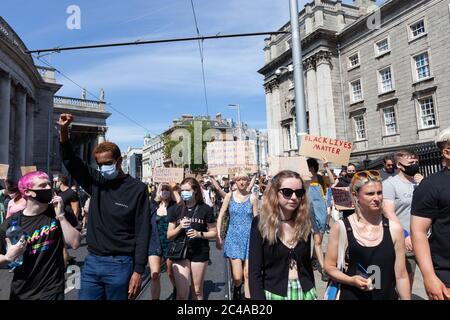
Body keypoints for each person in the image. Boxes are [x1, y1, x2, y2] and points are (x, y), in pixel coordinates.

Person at [59, 113, 150, 300]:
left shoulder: (138, 189)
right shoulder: (96, 181)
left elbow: (143, 231)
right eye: (99, 165)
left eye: (108, 163)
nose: (103, 168)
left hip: (121, 264)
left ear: (119, 161)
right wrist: (64, 130)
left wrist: (138, 270)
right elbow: (70, 160)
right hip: (92, 262)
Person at [324, 170, 410, 300]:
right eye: (370, 194)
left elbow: (401, 275)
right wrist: (351, 280)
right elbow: (329, 267)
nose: (377, 198)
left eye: (379, 193)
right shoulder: (341, 228)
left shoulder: (394, 228)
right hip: (351, 296)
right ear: (356, 195)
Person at [0, 171, 81, 300]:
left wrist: (60, 216)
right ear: (27, 192)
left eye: (49, 184)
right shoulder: (11, 223)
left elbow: (75, 243)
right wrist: (8, 257)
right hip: (21, 292)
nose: (49, 188)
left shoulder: (58, 212)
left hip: (52, 290)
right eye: (43, 186)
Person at [249, 170, 316, 300]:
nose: (294, 197)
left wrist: (312, 289)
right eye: (287, 192)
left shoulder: (304, 222)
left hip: (306, 293)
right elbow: (254, 273)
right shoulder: (260, 224)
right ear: (275, 193)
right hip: (274, 294)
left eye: (299, 192)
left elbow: (307, 265)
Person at [411, 127, 450, 300]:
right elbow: (418, 232)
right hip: (446, 275)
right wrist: (429, 276)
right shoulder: (430, 186)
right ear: (447, 152)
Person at [167, 177, 217, 300]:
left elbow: (214, 232)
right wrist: (179, 227)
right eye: (182, 190)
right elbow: (169, 235)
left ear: (195, 190)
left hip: (199, 252)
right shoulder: (176, 209)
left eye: (187, 190)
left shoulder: (205, 209)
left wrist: (199, 234)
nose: (184, 193)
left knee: (197, 291)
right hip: (180, 253)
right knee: (182, 293)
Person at [383, 150, 423, 291]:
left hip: (426, 239)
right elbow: (388, 211)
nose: (415, 165)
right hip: (406, 241)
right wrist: (404, 235)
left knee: (435, 277)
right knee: (407, 280)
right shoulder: (390, 184)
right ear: (399, 165)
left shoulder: (421, 182)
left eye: (416, 162)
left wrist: (424, 184)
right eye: (411, 163)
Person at [216, 171, 258, 300]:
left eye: (244, 179)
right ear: (235, 181)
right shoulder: (229, 196)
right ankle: (237, 287)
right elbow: (221, 215)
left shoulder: (252, 198)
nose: (241, 182)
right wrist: (218, 235)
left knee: (247, 274)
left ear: (247, 181)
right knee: (238, 276)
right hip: (233, 238)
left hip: (249, 238)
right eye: (239, 179)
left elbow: (256, 219)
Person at [148, 183, 178, 300]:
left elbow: (182, 206)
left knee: (171, 273)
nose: (164, 191)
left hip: (170, 244)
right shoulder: (153, 207)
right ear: (158, 191)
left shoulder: (174, 207)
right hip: (154, 244)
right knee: (154, 275)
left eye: (167, 189)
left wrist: (174, 189)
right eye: (162, 189)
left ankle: (176, 288)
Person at [306, 158, 335, 282]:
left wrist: (327, 167)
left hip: (321, 213)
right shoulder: (303, 181)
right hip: (308, 214)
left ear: (311, 168)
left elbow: (333, 181)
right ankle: (323, 268)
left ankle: (313, 258)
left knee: (318, 241)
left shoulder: (321, 179)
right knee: (315, 241)